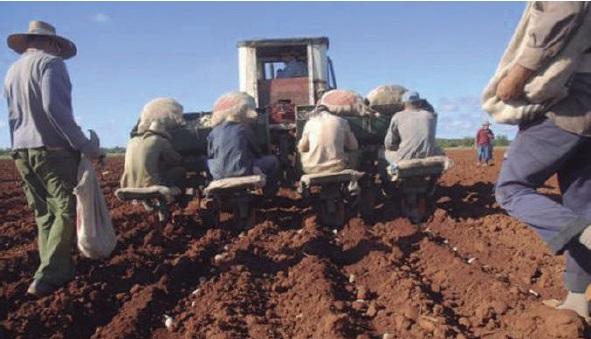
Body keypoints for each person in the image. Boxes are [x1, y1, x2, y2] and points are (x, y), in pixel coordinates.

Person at [493, 2, 591, 320]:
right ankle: (578, 301)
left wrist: (516, 77)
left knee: (511, 189)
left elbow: (562, 11)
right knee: (581, 202)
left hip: (569, 92)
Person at [3, 21, 102, 296]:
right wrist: (84, 145)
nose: (59, 51)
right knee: (66, 210)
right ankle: (50, 274)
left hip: (21, 151)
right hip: (53, 150)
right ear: (52, 43)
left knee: (44, 213)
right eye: (58, 45)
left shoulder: (12, 71)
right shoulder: (51, 64)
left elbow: (13, 116)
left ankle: (50, 267)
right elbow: (54, 109)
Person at [207, 91, 279, 196]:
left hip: (218, 174)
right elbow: (256, 151)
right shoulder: (243, 128)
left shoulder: (213, 132)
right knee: (273, 161)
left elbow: (211, 154)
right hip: (242, 170)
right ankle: (269, 195)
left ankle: (218, 196)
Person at [120, 98, 187, 192]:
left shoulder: (132, 141)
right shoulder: (160, 141)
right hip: (152, 183)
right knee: (180, 170)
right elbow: (175, 160)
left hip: (128, 184)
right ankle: (178, 197)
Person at [297, 104, 359, 174]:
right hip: (338, 167)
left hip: (312, 168)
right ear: (329, 112)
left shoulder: (309, 123)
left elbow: (301, 148)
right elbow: (354, 146)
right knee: (354, 153)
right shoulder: (342, 121)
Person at [384, 91, 438, 169]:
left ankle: (388, 177)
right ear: (419, 103)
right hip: (428, 155)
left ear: (404, 103)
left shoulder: (398, 116)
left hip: (406, 158)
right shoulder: (430, 116)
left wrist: (395, 147)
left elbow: (388, 143)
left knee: (383, 153)